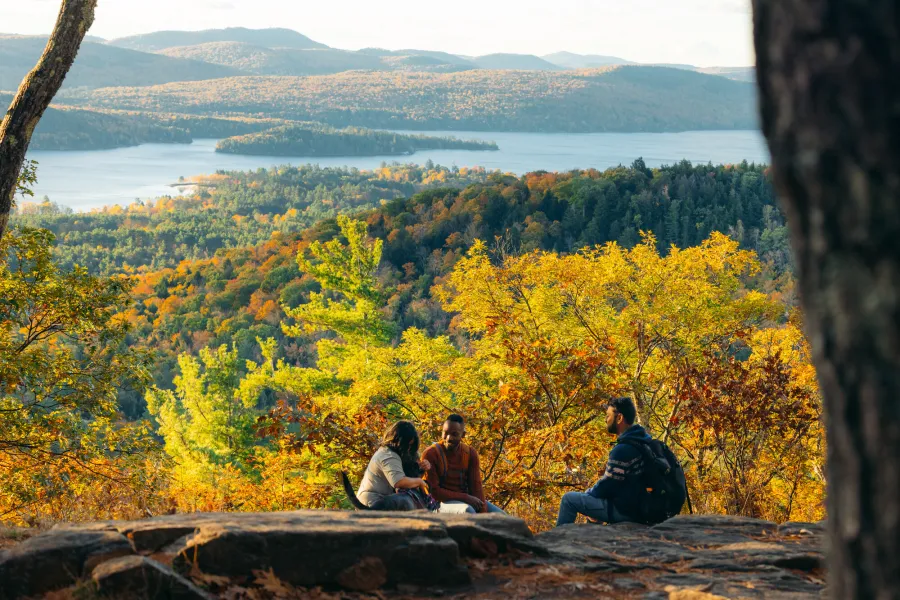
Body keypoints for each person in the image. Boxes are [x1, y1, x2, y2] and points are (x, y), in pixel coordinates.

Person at [555, 396, 649, 526]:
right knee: (594, 513)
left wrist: (588, 494)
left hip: (626, 512)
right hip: (640, 508)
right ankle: (593, 542)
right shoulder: (644, 442)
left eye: (608, 415)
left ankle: (557, 544)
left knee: (569, 499)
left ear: (619, 418)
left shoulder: (623, 449)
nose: (606, 419)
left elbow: (606, 486)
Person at [423, 414, 506, 514]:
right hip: (438, 504)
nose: (449, 438)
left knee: (502, 516)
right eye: (445, 433)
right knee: (468, 511)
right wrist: (466, 498)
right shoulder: (431, 454)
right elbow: (434, 492)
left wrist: (483, 515)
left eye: (454, 434)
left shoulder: (470, 453)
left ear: (463, 435)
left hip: (465, 500)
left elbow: (476, 488)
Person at [356, 420, 432, 510]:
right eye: (407, 445)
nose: (409, 448)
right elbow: (399, 482)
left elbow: (410, 479)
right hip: (372, 502)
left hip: (388, 501)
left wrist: (422, 469)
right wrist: (419, 482)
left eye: (411, 445)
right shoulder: (388, 455)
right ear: (397, 441)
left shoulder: (402, 454)